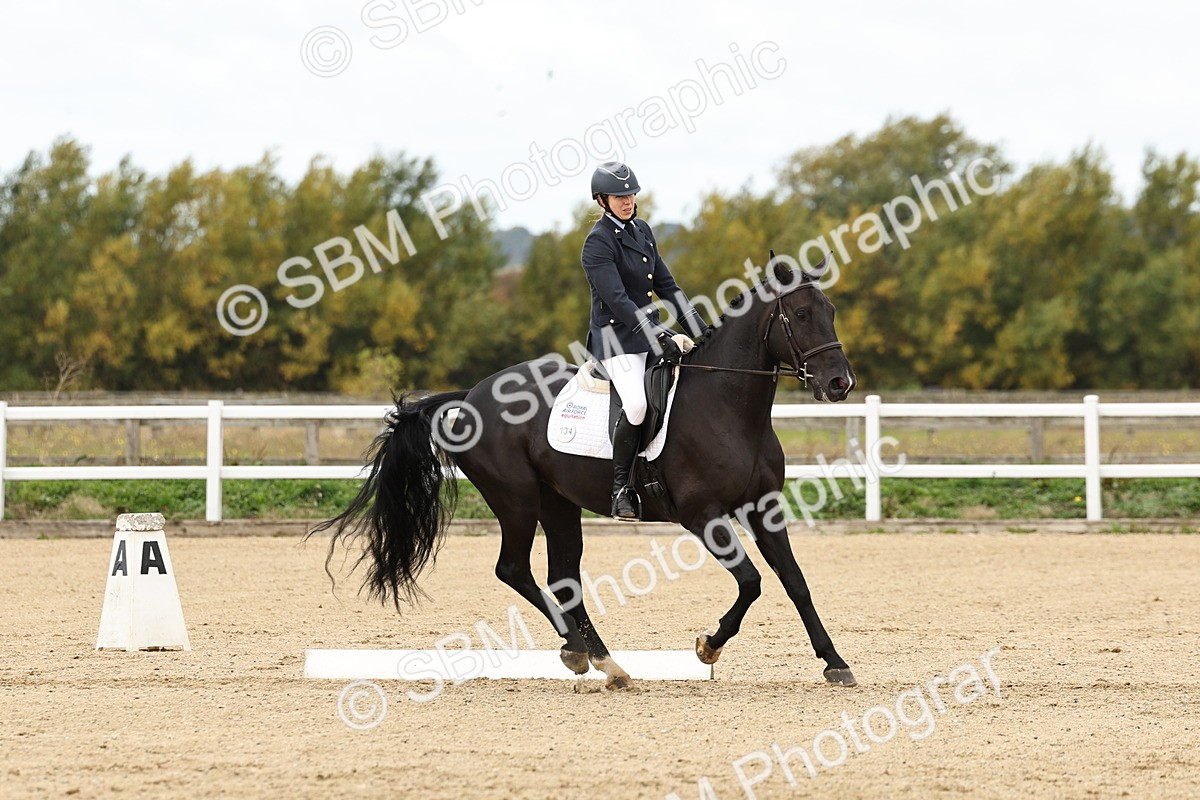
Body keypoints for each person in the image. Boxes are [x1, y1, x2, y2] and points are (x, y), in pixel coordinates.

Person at [580, 161, 708, 521]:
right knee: (636, 405)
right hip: (616, 340)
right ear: (602, 201)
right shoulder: (597, 242)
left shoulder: (643, 231)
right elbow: (618, 301)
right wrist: (659, 334)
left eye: (631, 195)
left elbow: (668, 287)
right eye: (619, 197)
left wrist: (702, 331)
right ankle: (621, 488)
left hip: (647, 333)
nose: (628, 201)